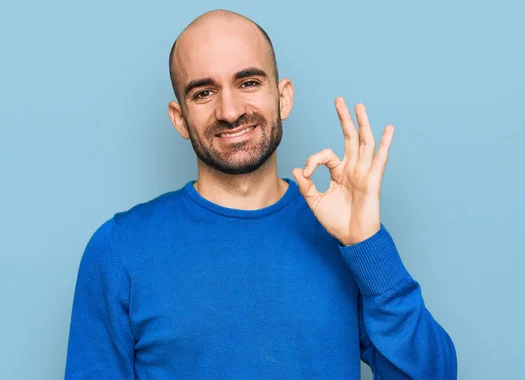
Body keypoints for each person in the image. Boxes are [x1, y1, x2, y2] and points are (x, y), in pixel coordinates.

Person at [64, 9, 457, 380]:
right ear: (180, 118)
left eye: (248, 82)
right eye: (204, 93)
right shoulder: (119, 248)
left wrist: (369, 245)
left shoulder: (345, 233)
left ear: (282, 97)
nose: (231, 111)